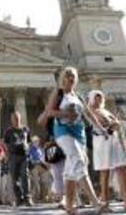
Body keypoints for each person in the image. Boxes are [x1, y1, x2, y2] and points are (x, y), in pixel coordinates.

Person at [40, 67, 104, 215]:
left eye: (73, 76)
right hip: (62, 131)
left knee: (70, 171)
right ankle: (95, 202)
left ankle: (69, 205)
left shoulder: (78, 96)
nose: (71, 78)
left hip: (79, 133)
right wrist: (66, 113)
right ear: (63, 78)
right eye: (68, 75)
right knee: (78, 160)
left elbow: (88, 113)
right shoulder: (58, 93)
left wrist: (101, 128)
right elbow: (49, 112)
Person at [87, 90, 126, 212]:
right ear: (91, 99)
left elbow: (116, 124)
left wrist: (113, 123)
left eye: (100, 97)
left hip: (114, 140)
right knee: (104, 171)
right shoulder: (90, 109)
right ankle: (104, 202)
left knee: (122, 168)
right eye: (96, 98)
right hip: (102, 142)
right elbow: (104, 122)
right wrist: (113, 123)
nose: (99, 100)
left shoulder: (105, 110)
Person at [3, 111, 33, 207]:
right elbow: (5, 143)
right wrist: (7, 155)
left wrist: (28, 148)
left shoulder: (25, 129)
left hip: (24, 155)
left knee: (25, 176)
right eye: (14, 118)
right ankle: (19, 198)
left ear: (20, 118)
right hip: (13, 156)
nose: (16, 120)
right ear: (11, 120)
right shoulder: (8, 131)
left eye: (17, 118)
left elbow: (29, 141)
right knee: (14, 178)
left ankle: (27, 198)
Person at [28, 136, 50, 203]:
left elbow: (42, 158)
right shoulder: (30, 150)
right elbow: (31, 160)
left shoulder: (40, 149)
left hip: (41, 166)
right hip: (34, 167)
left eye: (37, 141)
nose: (36, 142)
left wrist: (44, 163)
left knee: (45, 182)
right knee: (36, 184)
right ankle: (35, 198)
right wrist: (38, 161)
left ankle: (44, 197)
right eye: (34, 141)